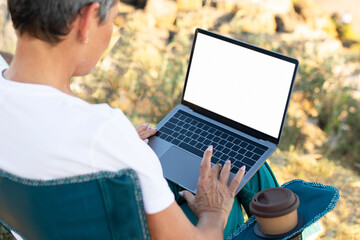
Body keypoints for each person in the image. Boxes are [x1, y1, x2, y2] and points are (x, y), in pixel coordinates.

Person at [0, 0, 278, 239]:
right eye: (114, 19)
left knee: (221, 162)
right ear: (86, 20)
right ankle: (285, 217)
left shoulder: (99, 137)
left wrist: (124, 150)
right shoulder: (103, 132)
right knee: (240, 172)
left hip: (46, 223)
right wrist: (214, 212)